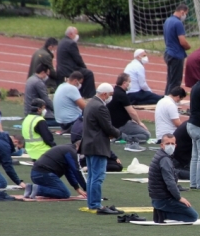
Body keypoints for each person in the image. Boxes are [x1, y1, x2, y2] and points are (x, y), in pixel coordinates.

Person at [81, 83, 120, 214]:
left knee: (92, 176)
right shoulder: (99, 107)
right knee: (98, 177)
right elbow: (107, 127)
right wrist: (118, 133)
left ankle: (92, 203)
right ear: (104, 94)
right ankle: (96, 204)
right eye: (109, 95)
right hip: (98, 145)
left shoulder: (90, 103)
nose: (110, 98)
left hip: (89, 144)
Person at [149, 134, 199, 223]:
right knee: (193, 216)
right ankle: (163, 214)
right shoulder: (165, 159)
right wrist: (179, 198)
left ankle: (161, 211)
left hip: (157, 198)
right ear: (162, 145)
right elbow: (170, 182)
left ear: (176, 145)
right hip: (163, 199)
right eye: (168, 143)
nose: (170, 146)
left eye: (172, 143)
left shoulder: (160, 155)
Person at [109, 72, 152, 149]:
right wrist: (139, 122)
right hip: (122, 125)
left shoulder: (114, 91)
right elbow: (132, 112)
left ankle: (120, 135)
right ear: (124, 83)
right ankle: (122, 136)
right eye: (129, 82)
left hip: (114, 123)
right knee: (146, 135)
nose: (130, 84)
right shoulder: (122, 95)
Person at [56, 26, 96, 98]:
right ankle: (88, 96)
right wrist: (84, 68)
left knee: (84, 73)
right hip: (69, 70)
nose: (77, 36)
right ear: (71, 34)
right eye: (76, 34)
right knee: (89, 74)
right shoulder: (71, 43)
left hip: (61, 70)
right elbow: (78, 59)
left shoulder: (62, 41)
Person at [163, 4, 191, 94]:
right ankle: (171, 100)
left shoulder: (168, 20)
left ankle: (166, 97)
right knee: (175, 81)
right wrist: (188, 46)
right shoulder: (178, 23)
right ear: (182, 12)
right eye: (185, 14)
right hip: (176, 54)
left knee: (170, 79)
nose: (185, 16)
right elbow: (182, 41)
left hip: (168, 52)